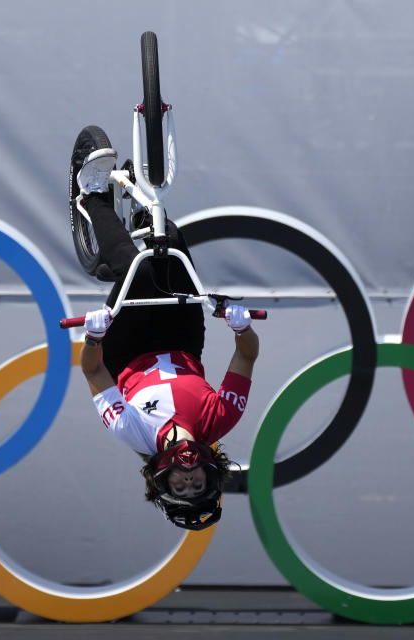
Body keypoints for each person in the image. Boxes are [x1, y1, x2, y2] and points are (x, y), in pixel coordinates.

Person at [70, 127, 260, 530]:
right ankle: (141, 215)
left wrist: (94, 336)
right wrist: (241, 328)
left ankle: (92, 194)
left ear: (160, 479)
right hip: (181, 339)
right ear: (211, 473)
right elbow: (247, 355)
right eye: (198, 486)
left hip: (127, 348)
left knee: (133, 273)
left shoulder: (133, 431)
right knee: (170, 245)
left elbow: (92, 370)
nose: (189, 481)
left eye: (181, 487)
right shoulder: (219, 419)